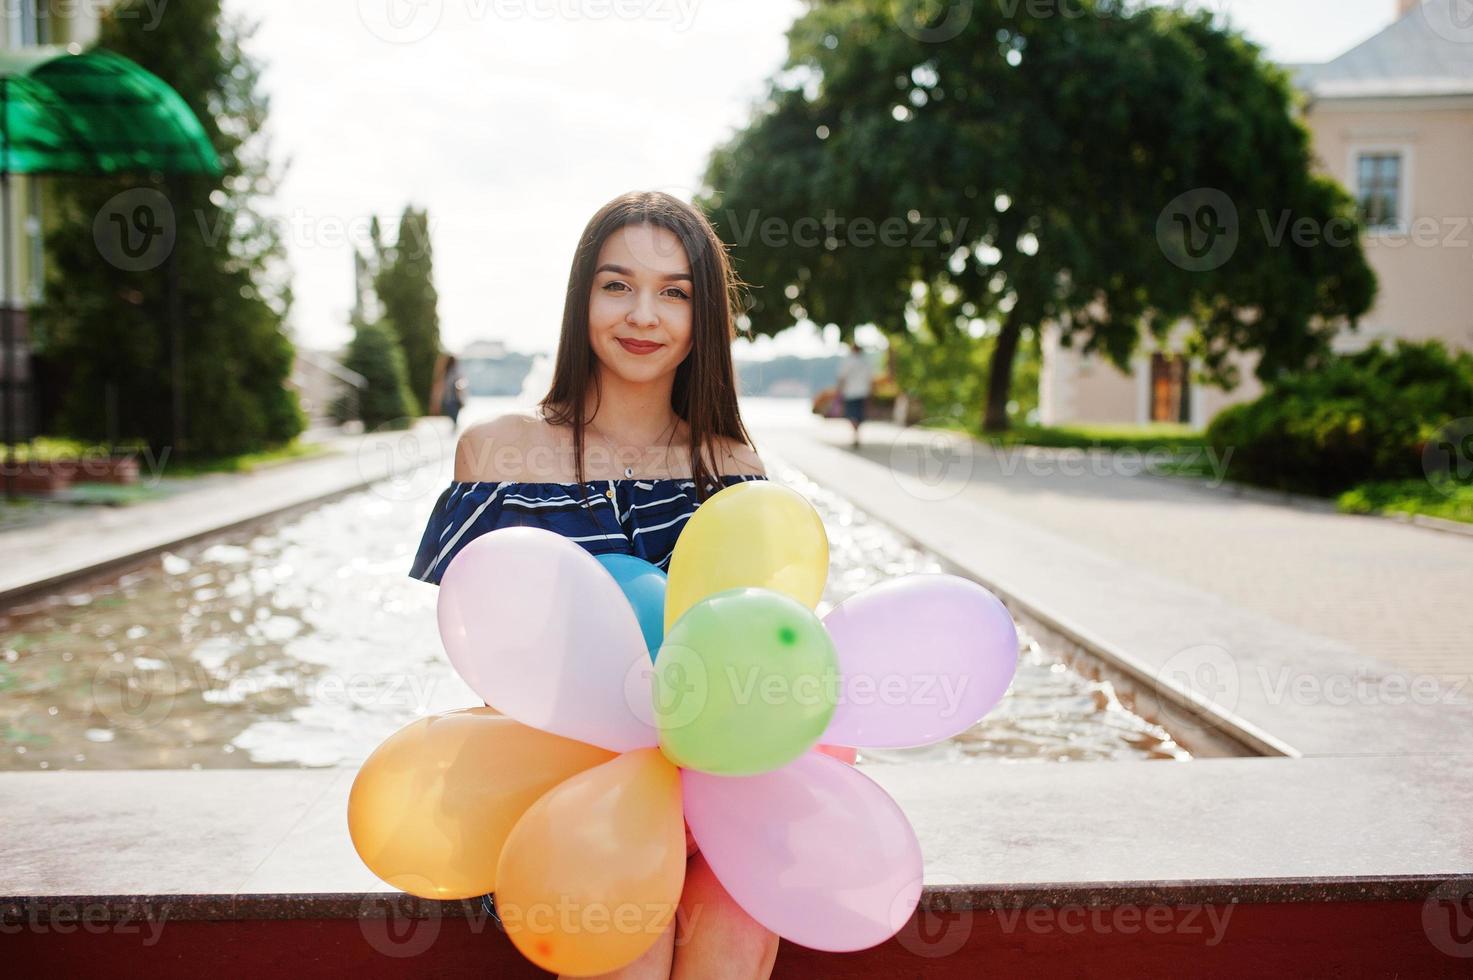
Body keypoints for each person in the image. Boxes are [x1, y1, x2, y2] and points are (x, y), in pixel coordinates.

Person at [407, 191, 776, 980]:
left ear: (702, 317)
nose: (642, 314)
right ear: (581, 300)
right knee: (628, 916)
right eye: (617, 285)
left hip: (700, 788)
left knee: (742, 911)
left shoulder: (733, 470)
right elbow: (485, 665)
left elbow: (754, 662)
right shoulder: (499, 453)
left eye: (673, 292)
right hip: (552, 786)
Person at [835, 340, 874, 448]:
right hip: (863, 392)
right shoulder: (865, 362)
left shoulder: (848, 361)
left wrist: (839, 390)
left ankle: (855, 434)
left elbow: (842, 377)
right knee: (859, 415)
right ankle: (857, 434)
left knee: (851, 415)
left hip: (850, 392)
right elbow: (870, 378)